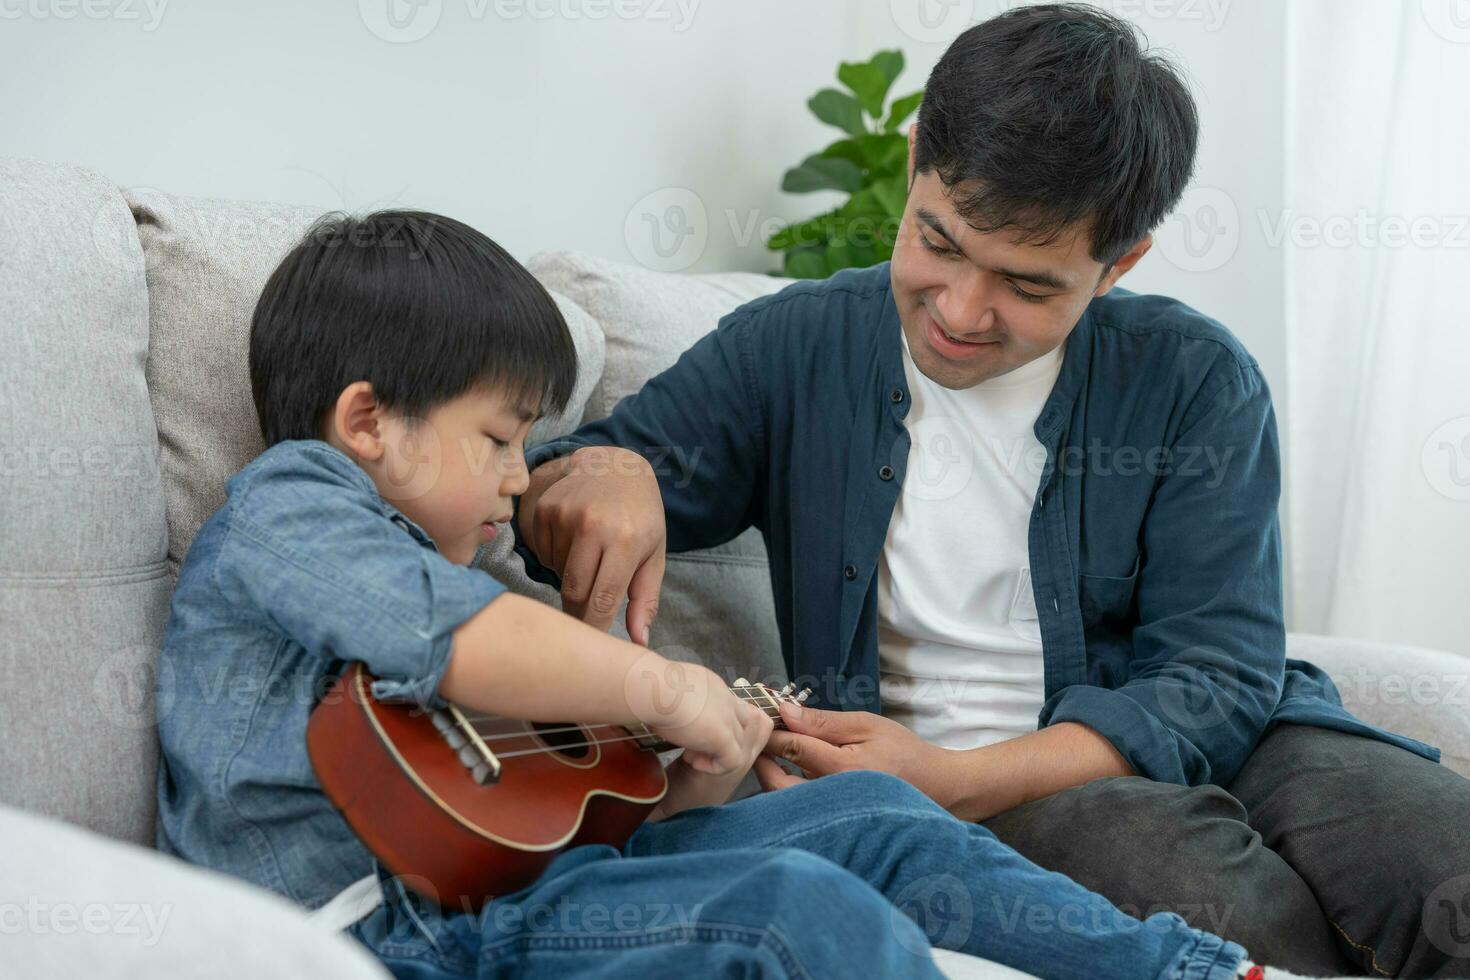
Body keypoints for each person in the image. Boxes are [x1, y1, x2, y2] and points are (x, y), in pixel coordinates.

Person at [512, 6, 1470, 978]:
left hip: (1224, 742)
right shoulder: (798, 345)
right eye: (939, 238)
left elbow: (1213, 683)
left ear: (1119, 262)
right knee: (1169, 867)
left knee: (1442, 851)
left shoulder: (1196, 380)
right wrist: (615, 470)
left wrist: (951, 777)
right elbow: (560, 479)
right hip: (1038, 806)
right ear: (921, 151)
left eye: (1026, 283)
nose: (962, 311)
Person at [153, 208, 1302, 980]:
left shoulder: (443, 561)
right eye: (501, 439)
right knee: (795, 906)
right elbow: (457, 641)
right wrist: (666, 685)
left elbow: (535, 805)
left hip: (530, 891)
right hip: (393, 931)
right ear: (366, 421)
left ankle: (1200, 969)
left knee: (878, 815)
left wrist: (689, 766)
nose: (520, 477)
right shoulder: (291, 505)